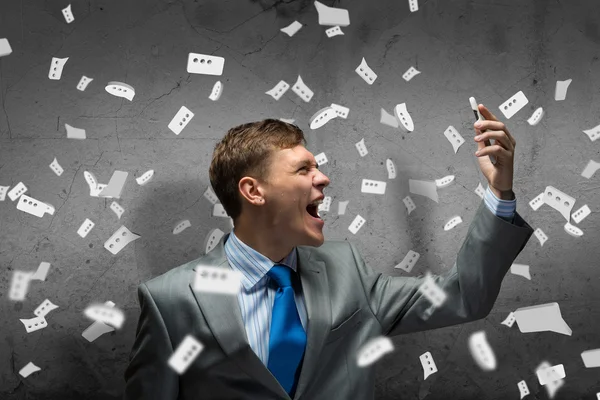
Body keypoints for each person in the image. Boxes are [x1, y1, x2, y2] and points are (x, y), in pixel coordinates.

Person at [123, 104, 534, 400]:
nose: (324, 178)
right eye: (303, 169)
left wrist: (500, 193)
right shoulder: (170, 300)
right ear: (253, 191)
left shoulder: (347, 270)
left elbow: (464, 296)